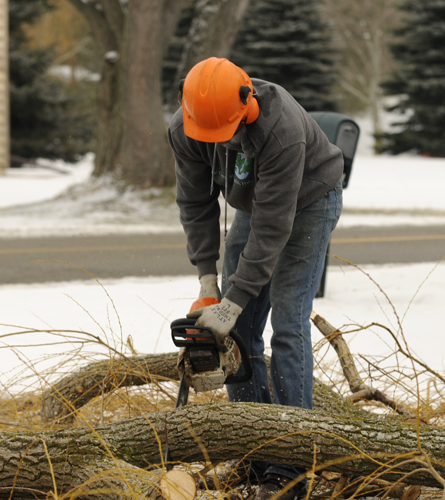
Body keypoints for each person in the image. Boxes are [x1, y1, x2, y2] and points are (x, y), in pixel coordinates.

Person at [167, 57, 343, 500]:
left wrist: (234, 297)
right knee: (240, 330)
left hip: (309, 199)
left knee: (287, 320)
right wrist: (210, 284)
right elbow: (196, 204)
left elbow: (272, 229)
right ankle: (253, 449)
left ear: (246, 105)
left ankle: (293, 461)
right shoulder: (186, 127)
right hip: (254, 204)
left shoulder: (279, 128)